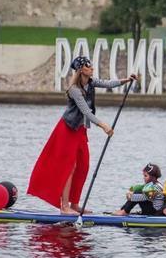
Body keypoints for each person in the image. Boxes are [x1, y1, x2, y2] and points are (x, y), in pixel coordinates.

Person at [27, 55, 137, 215]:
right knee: (69, 168)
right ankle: (65, 207)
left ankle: (75, 204)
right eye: (88, 66)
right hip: (67, 131)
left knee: (83, 166)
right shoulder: (74, 90)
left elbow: (108, 83)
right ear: (80, 70)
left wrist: (127, 80)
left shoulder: (91, 82)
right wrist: (103, 125)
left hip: (80, 131)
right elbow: (85, 111)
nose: (92, 68)